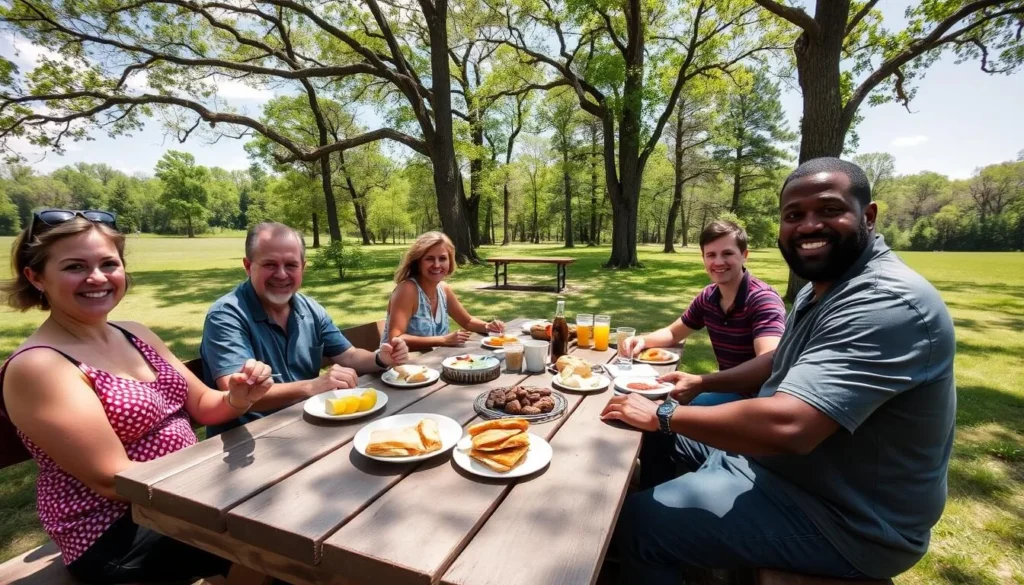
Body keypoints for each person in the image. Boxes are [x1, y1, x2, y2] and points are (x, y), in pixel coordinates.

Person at [602, 158, 956, 582]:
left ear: (869, 216)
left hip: (845, 519)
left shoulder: (886, 303)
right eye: (794, 215)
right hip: (775, 469)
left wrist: (664, 415)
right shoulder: (818, 291)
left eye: (828, 210)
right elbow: (775, 363)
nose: (808, 225)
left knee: (639, 524)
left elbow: (790, 426)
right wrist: (702, 383)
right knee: (655, 446)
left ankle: (660, 541)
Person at [0, 210, 275, 584]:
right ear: (36, 277)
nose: (97, 277)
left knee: (287, 510)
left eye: (108, 263)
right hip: (114, 531)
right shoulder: (40, 367)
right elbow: (114, 481)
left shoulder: (134, 332)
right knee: (278, 537)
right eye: (75, 266)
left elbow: (203, 406)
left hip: (182, 498)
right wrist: (221, 488)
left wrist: (238, 398)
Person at [200, 222, 409, 437]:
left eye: (291, 265)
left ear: (303, 267)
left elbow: (349, 355)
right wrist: (312, 387)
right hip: (246, 440)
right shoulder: (226, 316)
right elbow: (236, 390)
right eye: (270, 264)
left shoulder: (309, 309)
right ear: (247, 266)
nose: (281, 274)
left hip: (306, 428)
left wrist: (380, 358)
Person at [619, 220, 786, 406]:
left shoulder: (762, 300)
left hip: (758, 401)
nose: (718, 262)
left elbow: (768, 361)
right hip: (728, 390)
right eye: (711, 255)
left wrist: (702, 382)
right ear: (703, 258)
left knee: (660, 410)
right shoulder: (709, 297)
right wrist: (643, 340)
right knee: (645, 401)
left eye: (727, 253)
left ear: (744, 255)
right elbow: (674, 332)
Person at [383, 231, 504, 351]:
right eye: (429, 259)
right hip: (400, 364)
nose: (436, 265)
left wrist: (488, 326)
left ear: (450, 262)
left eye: (442, 258)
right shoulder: (407, 290)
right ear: (418, 262)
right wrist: (443, 340)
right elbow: (395, 338)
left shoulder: (443, 289)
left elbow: (467, 321)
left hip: (434, 361)